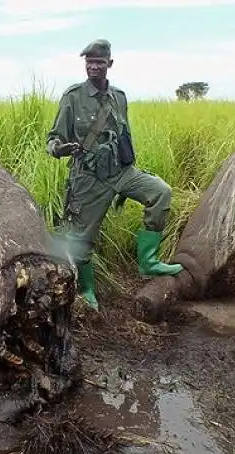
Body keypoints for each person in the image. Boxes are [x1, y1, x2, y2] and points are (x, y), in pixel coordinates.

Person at [45, 38, 182, 310]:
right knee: (81, 240)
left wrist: (129, 166)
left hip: (122, 171)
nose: (93, 67)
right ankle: (86, 291)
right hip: (89, 178)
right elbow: (52, 140)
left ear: (110, 63)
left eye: (98, 62)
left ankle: (149, 262)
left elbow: (124, 136)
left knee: (160, 192)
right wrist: (61, 149)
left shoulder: (119, 97)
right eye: (89, 62)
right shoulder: (73, 97)